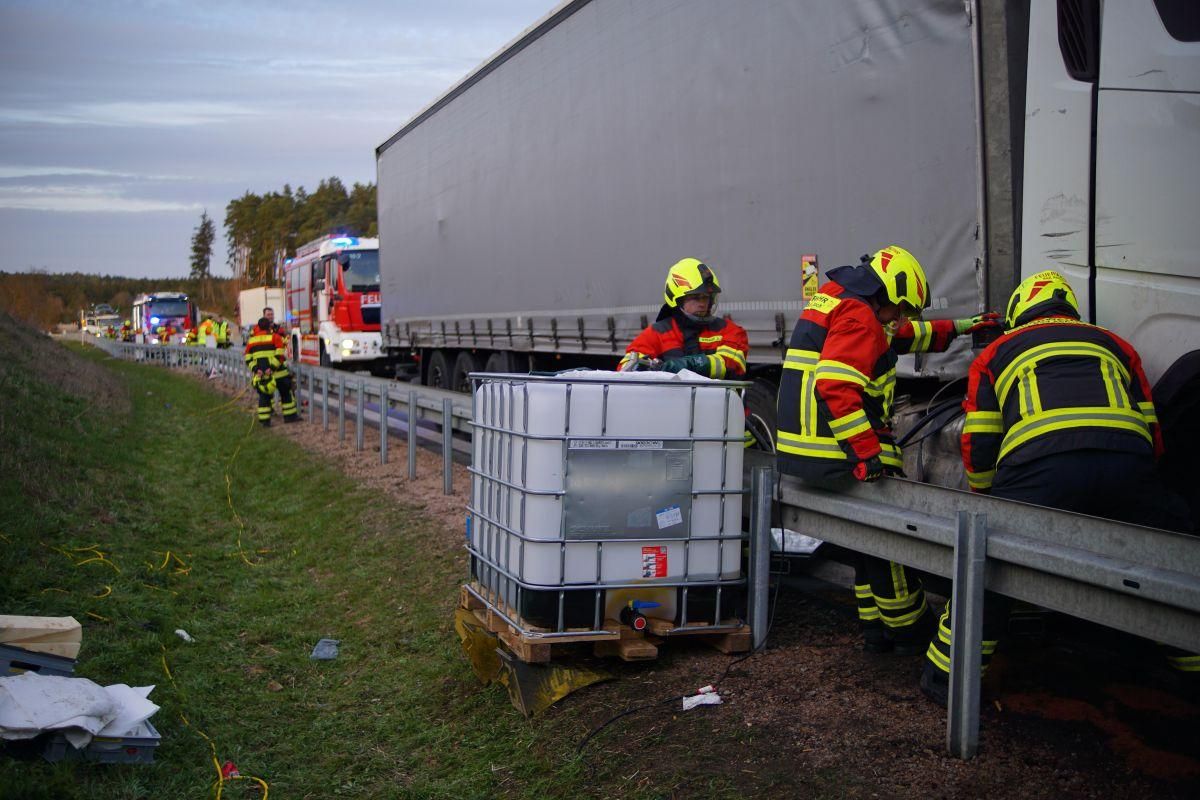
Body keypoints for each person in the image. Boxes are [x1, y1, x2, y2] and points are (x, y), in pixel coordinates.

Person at [920, 270, 1192, 704]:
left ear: (1019, 311)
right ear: (1068, 308)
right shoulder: (1115, 343)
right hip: (1127, 463)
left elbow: (980, 439)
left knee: (986, 567)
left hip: (1039, 468)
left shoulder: (998, 351)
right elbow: (1152, 426)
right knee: (1172, 568)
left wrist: (989, 499)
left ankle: (946, 680)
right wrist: (1140, 482)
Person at [775, 245, 1000, 654]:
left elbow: (904, 335)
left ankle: (875, 633)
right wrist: (865, 453)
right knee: (890, 545)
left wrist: (964, 326)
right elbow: (836, 386)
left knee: (864, 542)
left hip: (806, 446)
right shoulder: (861, 316)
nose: (900, 319)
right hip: (837, 448)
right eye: (900, 309)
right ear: (886, 293)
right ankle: (910, 631)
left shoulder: (840, 299)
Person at [618, 258, 748, 379]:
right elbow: (625, 370)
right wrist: (643, 368)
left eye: (706, 297)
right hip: (673, 403)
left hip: (719, 403)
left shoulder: (729, 330)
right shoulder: (657, 333)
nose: (702, 303)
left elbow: (731, 364)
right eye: (695, 297)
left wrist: (683, 365)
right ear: (677, 300)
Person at [244, 316, 298, 426]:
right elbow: (280, 356)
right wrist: (272, 368)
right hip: (279, 374)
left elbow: (248, 358)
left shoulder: (251, 341)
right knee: (286, 395)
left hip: (262, 375)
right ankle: (290, 417)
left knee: (264, 398)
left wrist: (256, 369)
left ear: (258, 327)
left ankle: (265, 421)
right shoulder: (275, 337)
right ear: (269, 326)